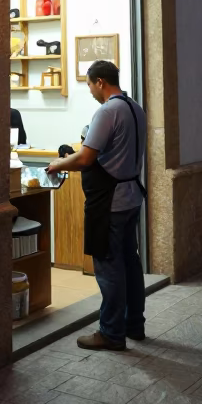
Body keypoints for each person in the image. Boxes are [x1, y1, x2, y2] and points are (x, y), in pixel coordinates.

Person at [47, 60, 145, 351]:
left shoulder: (107, 111)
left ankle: (111, 333)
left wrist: (57, 164)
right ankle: (134, 325)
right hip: (131, 198)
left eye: (89, 84)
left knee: (109, 268)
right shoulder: (135, 107)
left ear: (100, 82)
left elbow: (85, 159)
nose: (89, 90)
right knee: (130, 263)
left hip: (109, 204)